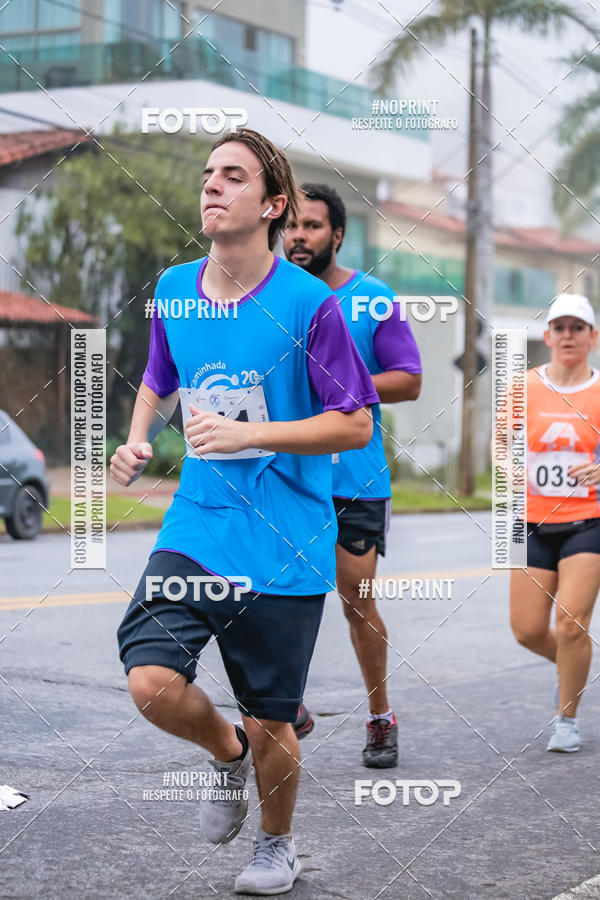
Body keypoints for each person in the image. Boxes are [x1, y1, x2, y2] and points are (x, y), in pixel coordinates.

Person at [110, 129, 378, 895]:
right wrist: (135, 439)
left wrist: (250, 432)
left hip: (286, 535)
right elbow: (160, 375)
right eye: (208, 175)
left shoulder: (309, 305)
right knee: (152, 679)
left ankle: (276, 843)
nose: (213, 187)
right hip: (200, 520)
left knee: (274, 720)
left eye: (234, 176)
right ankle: (226, 755)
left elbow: (354, 421)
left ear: (273, 204)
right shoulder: (173, 289)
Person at [283, 184, 422, 767]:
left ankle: (380, 716)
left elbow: (410, 378)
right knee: (275, 597)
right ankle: (286, 705)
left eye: (311, 226)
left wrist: (343, 381)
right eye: (291, 226)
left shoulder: (373, 298)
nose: (298, 237)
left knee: (356, 602)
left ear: (336, 235)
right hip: (289, 472)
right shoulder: (275, 298)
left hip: (355, 481)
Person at [508, 293, 600, 752]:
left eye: (577, 328)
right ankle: (575, 666)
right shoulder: (523, 386)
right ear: (547, 336)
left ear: (592, 338)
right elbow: (501, 444)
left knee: (570, 623)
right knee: (525, 629)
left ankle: (567, 718)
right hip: (531, 520)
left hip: (589, 520)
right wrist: (508, 469)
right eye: (560, 327)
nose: (568, 335)